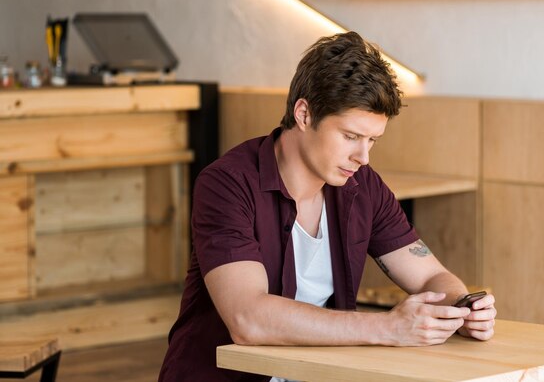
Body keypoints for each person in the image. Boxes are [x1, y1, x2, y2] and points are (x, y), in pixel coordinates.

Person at [159, 31, 496, 382]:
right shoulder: (228, 184)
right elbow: (248, 318)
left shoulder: (362, 186)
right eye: (350, 137)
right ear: (303, 114)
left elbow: (428, 275)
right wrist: (388, 327)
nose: (362, 157)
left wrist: (461, 307)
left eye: (372, 140)